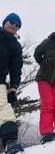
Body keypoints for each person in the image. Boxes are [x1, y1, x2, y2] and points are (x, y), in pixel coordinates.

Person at [0, 13, 24, 153]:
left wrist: (14, 88)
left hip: (0, 81)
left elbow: (16, 68)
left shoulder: (15, 46)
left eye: (17, 25)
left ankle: (10, 141)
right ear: (4, 22)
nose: (14, 25)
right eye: (12, 22)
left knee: (4, 108)